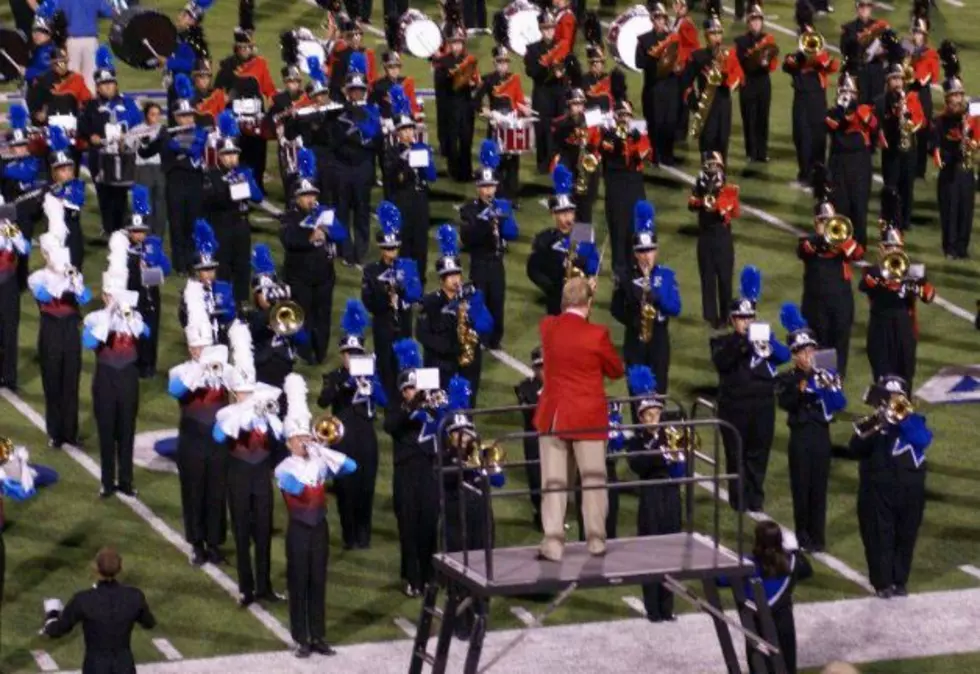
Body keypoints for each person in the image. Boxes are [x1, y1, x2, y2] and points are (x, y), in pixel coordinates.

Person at [534, 277, 624, 561]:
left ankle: (553, 543)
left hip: (555, 417)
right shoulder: (597, 334)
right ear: (589, 304)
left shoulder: (548, 328)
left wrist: (583, 293)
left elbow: (563, 320)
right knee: (594, 481)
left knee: (554, 482)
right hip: (587, 417)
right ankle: (596, 541)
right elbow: (615, 369)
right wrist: (589, 310)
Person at [213, 320, 283, 607]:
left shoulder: (261, 409)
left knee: (264, 529)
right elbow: (220, 435)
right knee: (241, 530)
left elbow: (280, 434)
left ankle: (264, 585)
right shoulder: (227, 413)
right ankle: (246, 586)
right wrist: (244, 412)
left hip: (261, 474)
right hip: (239, 474)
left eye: (249, 391)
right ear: (233, 393)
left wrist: (264, 415)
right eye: (242, 392)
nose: (248, 396)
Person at [710, 266, 790, 512]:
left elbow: (784, 356)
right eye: (741, 319)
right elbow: (723, 362)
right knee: (736, 455)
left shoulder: (764, 336)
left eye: (749, 318)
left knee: (759, 454)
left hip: (763, 405)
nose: (746, 323)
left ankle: (756, 498)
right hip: (734, 407)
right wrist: (745, 342)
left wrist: (765, 342)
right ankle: (738, 499)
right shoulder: (722, 342)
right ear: (733, 320)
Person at [168, 254, 231, 566]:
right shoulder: (181, 371)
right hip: (192, 438)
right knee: (193, 490)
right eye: (195, 347)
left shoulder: (223, 368)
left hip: (217, 439)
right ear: (190, 347)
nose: (200, 351)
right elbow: (176, 391)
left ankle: (216, 542)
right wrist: (199, 368)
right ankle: (197, 543)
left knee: (216, 491)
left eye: (203, 347)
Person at [850, 375, 932, 598]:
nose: (893, 401)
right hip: (877, 489)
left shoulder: (916, 421)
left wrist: (902, 418)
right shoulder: (873, 422)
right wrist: (877, 424)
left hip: (910, 490)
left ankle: (900, 580)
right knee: (879, 536)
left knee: (906, 535)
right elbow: (855, 448)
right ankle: (883, 582)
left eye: (898, 397)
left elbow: (923, 440)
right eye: (889, 397)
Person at [776, 304, 847, 552]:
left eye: (811, 350)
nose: (808, 356)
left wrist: (828, 386)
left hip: (821, 437)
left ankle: (818, 537)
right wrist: (803, 388)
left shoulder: (826, 374)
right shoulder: (787, 378)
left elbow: (840, 404)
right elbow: (785, 402)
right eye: (802, 352)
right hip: (800, 438)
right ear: (795, 355)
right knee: (801, 488)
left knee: (819, 488)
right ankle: (803, 535)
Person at [317, 300, 387, 550]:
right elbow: (322, 399)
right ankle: (349, 535)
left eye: (357, 355)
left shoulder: (372, 377)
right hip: (342, 439)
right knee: (345, 488)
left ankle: (363, 534)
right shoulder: (335, 376)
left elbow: (384, 401)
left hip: (366, 436)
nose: (352, 358)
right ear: (342, 355)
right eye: (348, 354)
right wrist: (343, 384)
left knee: (366, 486)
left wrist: (368, 385)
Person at [83, 231, 147, 498]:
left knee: (127, 429)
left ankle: (127, 481)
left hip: (128, 376)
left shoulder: (133, 316)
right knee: (107, 430)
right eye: (110, 295)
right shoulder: (94, 318)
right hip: (106, 377)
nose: (114, 299)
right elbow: (90, 341)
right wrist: (109, 315)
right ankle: (107, 481)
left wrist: (127, 317)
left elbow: (144, 333)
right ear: (105, 295)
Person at [625, 366, 684, 622]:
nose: (654, 418)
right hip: (649, 495)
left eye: (657, 413)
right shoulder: (636, 441)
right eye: (649, 414)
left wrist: (675, 456)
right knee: (650, 551)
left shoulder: (672, 437)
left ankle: (667, 607)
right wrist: (662, 455)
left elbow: (681, 471)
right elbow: (638, 465)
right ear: (641, 417)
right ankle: (652, 608)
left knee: (670, 549)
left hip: (670, 492)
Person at [385, 339, 443, 596]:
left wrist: (438, 405)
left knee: (430, 523)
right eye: (409, 389)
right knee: (408, 526)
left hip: (429, 471)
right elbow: (392, 426)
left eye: (416, 388)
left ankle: (430, 574)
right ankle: (411, 577)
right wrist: (413, 405)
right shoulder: (396, 408)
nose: (413, 392)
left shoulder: (433, 407)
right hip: (406, 474)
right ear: (402, 391)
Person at [440, 376, 495, 642]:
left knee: (483, 569)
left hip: (481, 520)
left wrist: (484, 464)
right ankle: (460, 622)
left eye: (466, 434)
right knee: (459, 575)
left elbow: (499, 479)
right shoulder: (444, 458)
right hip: (456, 522)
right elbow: (446, 479)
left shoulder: (480, 455)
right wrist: (464, 463)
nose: (463, 439)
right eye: (457, 435)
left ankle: (481, 617)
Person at [719, 521, 813, 673]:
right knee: (786, 667)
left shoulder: (745, 565)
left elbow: (718, 579)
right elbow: (807, 570)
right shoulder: (791, 563)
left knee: (759, 666)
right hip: (783, 627)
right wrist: (795, 550)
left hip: (756, 626)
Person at [42, 548, 156, 672]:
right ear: (120, 568)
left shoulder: (84, 599)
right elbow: (149, 623)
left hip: (95, 667)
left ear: (96, 569)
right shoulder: (134, 596)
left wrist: (52, 614)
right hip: (125, 666)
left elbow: (57, 630)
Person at [416, 225, 494, 406]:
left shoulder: (472, 296)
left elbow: (487, 325)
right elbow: (422, 335)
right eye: (449, 275)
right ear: (441, 280)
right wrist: (451, 349)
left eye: (457, 274)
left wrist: (472, 310)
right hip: (442, 364)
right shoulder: (430, 303)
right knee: (440, 406)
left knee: (468, 404)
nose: (455, 279)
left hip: (469, 363)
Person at [137, 76, 208, 274]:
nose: (187, 119)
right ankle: (180, 264)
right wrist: (146, 141)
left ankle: (195, 261)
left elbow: (194, 150)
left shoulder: (199, 133)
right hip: (175, 184)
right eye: (183, 116)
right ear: (176, 117)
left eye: (190, 115)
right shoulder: (165, 134)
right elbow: (145, 153)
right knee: (177, 225)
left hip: (195, 183)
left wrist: (173, 145)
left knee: (193, 224)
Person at [797, 166, 863, 378]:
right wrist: (824, 241)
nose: (826, 226)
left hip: (840, 302)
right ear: (816, 224)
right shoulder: (809, 242)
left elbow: (857, 253)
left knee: (839, 345)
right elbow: (806, 249)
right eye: (822, 222)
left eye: (829, 222)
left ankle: (836, 383)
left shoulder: (843, 242)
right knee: (818, 344)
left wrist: (839, 240)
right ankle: (820, 384)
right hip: (816, 304)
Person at [28, 228, 89, 448]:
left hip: (71, 330)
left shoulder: (74, 275)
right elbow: (44, 295)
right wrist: (62, 282)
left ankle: (71, 432)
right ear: (45, 255)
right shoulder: (37, 278)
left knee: (71, 381)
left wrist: (75, 281)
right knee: (52, 381)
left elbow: (85, 297)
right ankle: (55, 432)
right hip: (51, 330)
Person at [279, 165, 346, 364]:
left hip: (324, 276)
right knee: (302, 315)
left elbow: (342, 235)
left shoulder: (324, 214)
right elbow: (289, 240)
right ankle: (303, 351)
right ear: (297, 197)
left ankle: (320, 353)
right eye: (306, 195)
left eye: (313, 195)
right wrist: (310, 236)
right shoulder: (289, 217)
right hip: (299, 277)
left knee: (323, 316)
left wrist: (327, 230)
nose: (311, 199)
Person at [612, 202, 681, 394]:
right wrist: (634, 318)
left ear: (656, 251)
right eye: (641, 251)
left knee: (659, 390)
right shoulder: (626, 277)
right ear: (635, 253)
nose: (646, 256)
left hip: (658, 338)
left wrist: (657, 298)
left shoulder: (666, 275)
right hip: (635, 339)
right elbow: (615, 309)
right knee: (636, 393)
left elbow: (676, 308)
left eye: (650, 250)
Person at [859, 226, 935, 387]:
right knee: (882, 379)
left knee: (906, 376)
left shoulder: (913, 271)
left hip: (904, 329)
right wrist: (886, 275)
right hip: (880, 328)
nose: (893, 250)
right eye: (888, 247)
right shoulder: (872, 271)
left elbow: (929, 296)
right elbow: (864, 285)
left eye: (897, 247)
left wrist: (916, 288)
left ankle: (904, 410)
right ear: (881, 249)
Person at [460, 142, 518, 349]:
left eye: (491, 186)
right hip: (479, 261)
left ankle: (496, 338)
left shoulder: (501, 205)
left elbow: (513, 233)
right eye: (484, 187)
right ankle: (480, 336)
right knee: (480, 299)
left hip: (496, 260)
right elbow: (467, 238)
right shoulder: (469, 210)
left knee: (497, 299)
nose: (488, 190)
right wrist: (485, 221)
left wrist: (503, 218)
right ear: (478, 188)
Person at [361, 203, 423, 398]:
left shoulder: (408, 266)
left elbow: (416, 294)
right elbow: (368, 302)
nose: (392, 251)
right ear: (381, 248)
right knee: (386, 363)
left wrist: (402, 287)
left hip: (404, 322)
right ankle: (389, 401)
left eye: (395, 247)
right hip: (383, 324)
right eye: (388, 248)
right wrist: (386, 298)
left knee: (405, 363)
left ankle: (407, 399)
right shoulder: (371, 271)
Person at [79, 46, 141, 236]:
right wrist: (92, 136)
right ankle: (109, 230)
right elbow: (82, 127)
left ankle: (120, 229)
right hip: (100, 158)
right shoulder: (90, 106)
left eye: (111, 83)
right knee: (104, 195)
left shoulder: (127, 103)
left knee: (120, 195)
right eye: (104, 84)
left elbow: (138, 123)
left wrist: (128, 135)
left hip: (123, 156)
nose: (108, 87)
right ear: (97, 86)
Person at [203, 112, 264, 305]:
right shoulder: (211, 175)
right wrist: (235, 187)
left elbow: (257, 196)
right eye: (227, 155)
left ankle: (241, 304)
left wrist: (246, 182)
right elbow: (218, 200)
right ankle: (222, 303)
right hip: (221, 227)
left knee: (242, 267)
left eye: (234, 154)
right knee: (223, 268)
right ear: (220, 156)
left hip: (241, 226)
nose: (231, 158)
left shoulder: (244, 172)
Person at [214, 14, 277, 194]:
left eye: (247, 47)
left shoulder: (260, 65)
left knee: (258, 156)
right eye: (241, 47)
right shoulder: (226, 69)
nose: (244, 50)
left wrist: (274, 103)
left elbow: (269, 89)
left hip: (255, 119)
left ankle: (257, 189)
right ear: (236, 48)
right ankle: (238, 192)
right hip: (235, 121)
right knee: (237, 157)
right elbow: (218, 95)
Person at [526, 167, 600, 316]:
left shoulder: (582, 231)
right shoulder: (545, 239)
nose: (568, 218)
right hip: (556, 301)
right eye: (563, 213)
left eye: (571, 212)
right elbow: (532, 269)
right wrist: (553, 288)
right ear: (553, 214)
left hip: (580, 300)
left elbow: (593, 258)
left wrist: (592, 277)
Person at [783, 2, 839, 188]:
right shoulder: (804, 35)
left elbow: (826, 63)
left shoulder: (813, 37)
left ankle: (815, 175)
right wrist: (795, 60)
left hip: (814, 93)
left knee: (814, 135)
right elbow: (789, 65)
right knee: (802, 134)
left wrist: (807, 59)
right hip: (803, 93)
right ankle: (807, 174)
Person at [334, 66, 383, 267]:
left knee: (362, 211)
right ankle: (345, 250)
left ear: (365, 91)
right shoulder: (338, 111)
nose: (356, 93)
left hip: (363, 167)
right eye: (353, 90)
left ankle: (361, 251)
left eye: (359, 89)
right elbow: (335, 140)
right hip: (343, 168)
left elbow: (376, 140)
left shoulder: (372, 112)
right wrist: (358, 140)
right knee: (343, 210)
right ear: (347, 91)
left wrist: (357, 139)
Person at [933, 44, 978, 260]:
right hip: (950, 171)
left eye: (961, 95)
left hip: (967, 171)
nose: (959, 99)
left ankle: (962, 247)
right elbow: (934, 149)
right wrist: (950, 155)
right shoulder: (940, 121)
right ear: (947, 99)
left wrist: (973, 143)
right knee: (950, 211)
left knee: (966, 210)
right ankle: (949, 248)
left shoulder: (970, 114)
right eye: (954, 96)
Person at [599, 100, 652, 277]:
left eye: (627, 115)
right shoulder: (607, 134)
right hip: (615, 186)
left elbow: (644, 153)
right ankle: (619, 272)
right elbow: (606, 150)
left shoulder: (639, 134)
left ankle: (636, 268)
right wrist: (616, 136)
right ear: (615, 116)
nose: (624, 119)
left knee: (634, 227)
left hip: (634, 185)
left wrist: (634, 139)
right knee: (618, 228)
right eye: (621, 115)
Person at [826, 68, 878, 247]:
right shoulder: (832, 113)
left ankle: (859, 244)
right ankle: (841, 242)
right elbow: (833, 125)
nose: (847, 95)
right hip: (838, 162)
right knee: (840, 204)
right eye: (844, 92)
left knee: (859, 204)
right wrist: (843, 112)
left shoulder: (864, 110)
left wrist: (855, 111)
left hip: (859, 163)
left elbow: (873, 125)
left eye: (851, 92)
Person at [382, 110, 436, 284]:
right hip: (402, 200)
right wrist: (404, 160)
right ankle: (403, 281)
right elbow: (394, 179)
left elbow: (431, 176)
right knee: (404, 242)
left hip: (420, 200)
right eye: (404, 130)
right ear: (398, 133)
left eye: (410, 129)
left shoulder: (421, 147)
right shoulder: (392, 152)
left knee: (420, 242)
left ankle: (420, 280)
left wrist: (425, 158)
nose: (408, 133)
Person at [681, 15, 744, 161]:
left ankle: (721, 180)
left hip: (723, 106)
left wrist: (730, 81)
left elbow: (738, 78)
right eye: (713, 33)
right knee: (708, 147)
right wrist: (694, 103)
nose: (717, 37)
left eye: (719, 33)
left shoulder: (729, 55)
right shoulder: (697, 56)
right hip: (706, 108)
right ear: (706, 35)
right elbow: (685, 82)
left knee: (723, 145)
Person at [688, 152, 739, 328]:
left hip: (723, 237)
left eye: (715, 165)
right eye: (709, 165)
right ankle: (711, 317)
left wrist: (720, 204)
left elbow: (735, 212)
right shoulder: (699, 184)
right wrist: (703, 199)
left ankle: (727, 315)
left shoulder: (729, 189)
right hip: (705, 236)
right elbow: (691, 204)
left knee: (725, 279)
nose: (712, 168)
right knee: (707, 278)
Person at [875, 53, 925, 232]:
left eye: (900, 79)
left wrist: (910, 122)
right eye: (894, 79)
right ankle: (889, 219)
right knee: (891, 186)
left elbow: (921, 120)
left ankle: (905, 222)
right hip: (891, 151)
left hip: (909, 149)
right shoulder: (880, 102)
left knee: (907, 186)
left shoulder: (911, 99)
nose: (897, 83)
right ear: (888, 82)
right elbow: (877, 125)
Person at [124, 188, 171, 380]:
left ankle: (148, 365)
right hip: (130, 295)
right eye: (135, 232)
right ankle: (132, 362)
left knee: (150, 330)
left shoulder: (153, 245)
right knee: (131, 329)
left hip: (150, 294)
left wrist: (152, 266)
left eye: (142, 231)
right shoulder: (122, 247)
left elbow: (166, 269)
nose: (139, 235)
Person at [475, 44, 529, 203]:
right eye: (500, 62)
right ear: (495, 62)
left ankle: (512, 198)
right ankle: (497, 196)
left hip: (512, 123)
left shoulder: (515, 78)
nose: (503, 65)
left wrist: (523, 109)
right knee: (496, 162)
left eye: (505, 62)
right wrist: (489, 113)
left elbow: (518, 100)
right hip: (496, 125)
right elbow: (476, 101)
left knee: (513, 163)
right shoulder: (488, 80)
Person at [245, 244, 301, 390]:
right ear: (256, 296)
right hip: (262, 364)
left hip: (284, 362)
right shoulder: (251, 314)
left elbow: (303, 339)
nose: (266, 297)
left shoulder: (286, 310)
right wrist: (272, 311)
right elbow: (255, 332)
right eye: (262, 293)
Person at [433, 22, 479, 182]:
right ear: (449, 44)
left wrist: (474, 84)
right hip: (451, 106)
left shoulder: (469, 59)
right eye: (453, 43)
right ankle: (453, 170)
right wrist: (453, 76)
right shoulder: (442, 62)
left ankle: (467, 171)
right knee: (452, 140)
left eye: (459, 42)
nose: (457, 46)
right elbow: (440, 85)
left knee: (466, 139)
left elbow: (476, 82)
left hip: (466, 105)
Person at [636, 4, 681, 166]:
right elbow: (639, 63)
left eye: (663, 18)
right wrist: (654, 57)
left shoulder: (674, 38)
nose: (660, 22)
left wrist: (677, 66)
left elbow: (680, 60)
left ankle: (668, 155)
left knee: (669, 122)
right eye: (657, 18)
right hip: (653, 87)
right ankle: (655, 155)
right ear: (652, 20)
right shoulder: (644, 40)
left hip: (670, 86)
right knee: (655, 122)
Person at [551, 89, 602, 225]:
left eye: (581, 104)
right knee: (568, 209)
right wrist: (574, 125)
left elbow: (597, 142)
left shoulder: (591, 119)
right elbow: (557, 139)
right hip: (570, 168)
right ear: (569, 105)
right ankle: (567, 240)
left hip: (586, 169)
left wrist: (593, 149)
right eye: (575, 104)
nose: (579, 107)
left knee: (585, 211)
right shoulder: (561, 123)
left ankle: (583, 241)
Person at [734, 5, 778, 163]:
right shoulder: (741, 41)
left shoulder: (769, 40)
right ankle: (751, 152)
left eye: (758, 20)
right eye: (753, 20)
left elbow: (773, 65)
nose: (756, 24)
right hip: (748, 82)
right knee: (749, 118)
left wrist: (767, 61)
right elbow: (739, 63)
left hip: (763, 82)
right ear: (748, 22)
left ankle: (762, 152)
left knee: (763, 117)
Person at [525, 11, 566, 174]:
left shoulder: (562, 46)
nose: (549, 31)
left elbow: (571, 67)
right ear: (541, 30)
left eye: (551, 28)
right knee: (542, 130)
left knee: (559, 129)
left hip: (559, 93)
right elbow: (531, 71)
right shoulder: (533, 49)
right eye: (545, 29)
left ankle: (558, 164)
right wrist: (548, 69)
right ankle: (543, 166)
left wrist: (564, 73)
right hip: (542, 94)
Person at [0, 206, 31, 392]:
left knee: (10, 329)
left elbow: (25, 248)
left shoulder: (11, 229)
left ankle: (10, 377)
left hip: (8, 283)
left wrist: (13, 234)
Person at [514, 347, 544, 530]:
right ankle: (540, 514)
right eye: (540, 366)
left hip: (555, 436)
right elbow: (531, 414)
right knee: (536, 477)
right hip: (534, 437)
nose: (544, 370)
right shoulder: (525, 387)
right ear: (534, 368)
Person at [56, 0, 114, 92]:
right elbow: (109, 12)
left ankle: (72, 100)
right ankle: (90, 101)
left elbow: (55, 12)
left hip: (72, 41)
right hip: (90, 40)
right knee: (91, 75)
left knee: (72, 74)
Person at [840, 0, 889, 106]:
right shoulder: (849, 28)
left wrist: (882, 50)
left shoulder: (879, 26)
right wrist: (858, 39)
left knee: (877, 106)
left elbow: (890, 47)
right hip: (858, 72)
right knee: (859, 107)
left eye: (868, 5)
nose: (865, 8)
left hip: (876, 73)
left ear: (871, 8)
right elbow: (844, 49)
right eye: (862, 5)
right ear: (857, 7)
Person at [908, 13, 939, 179]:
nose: (916, 35)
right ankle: (908, 163)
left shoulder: (930, 54)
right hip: (907, 94)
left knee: (922, 133)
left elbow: (922, 79)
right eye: (914, 31)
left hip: (921, 96)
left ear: (924, 35)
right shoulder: (907, 49)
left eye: (919, 32)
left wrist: (910, 63)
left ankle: (919, 169)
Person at [131, 103, 168, 238]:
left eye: (158, 114)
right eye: (152, 114)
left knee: (160, 204)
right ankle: (147, 235)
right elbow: (126, 148)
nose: (155, 118)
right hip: (142, 169)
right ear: (146, 115)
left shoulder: (162, 130)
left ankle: (158, 236)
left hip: (159, 169)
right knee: (146, 203)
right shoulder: (137, 130)